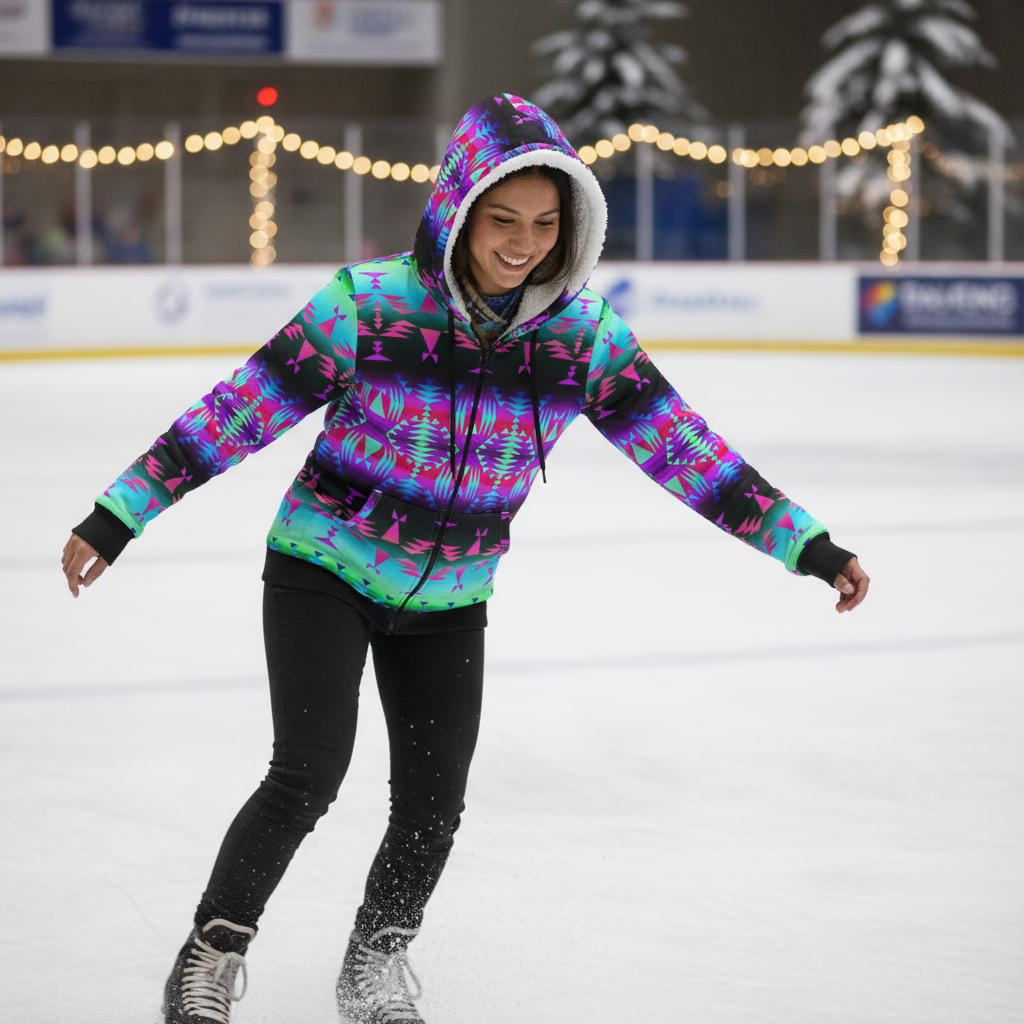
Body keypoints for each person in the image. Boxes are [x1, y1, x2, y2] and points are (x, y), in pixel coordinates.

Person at [61, 94, 869, 1024]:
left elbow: (684, 449)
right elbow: (239, 410)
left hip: (451, 596)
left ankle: (372, 967)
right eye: (502, 220)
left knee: (434, 803)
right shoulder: (369, 305)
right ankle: (210, 954)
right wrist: (120, 514)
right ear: (458, 211)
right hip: (323, 566)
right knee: (308, 773)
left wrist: (806, 544)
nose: (523, 244)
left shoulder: (582, 338)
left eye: (545, 224)